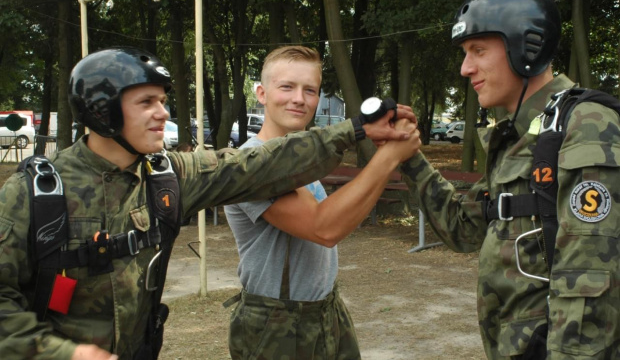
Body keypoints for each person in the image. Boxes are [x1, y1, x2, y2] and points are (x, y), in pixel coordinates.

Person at [0, 46, 416, 360]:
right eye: (146, 102)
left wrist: (356, 129)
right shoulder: (34, 194)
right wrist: (62, 354)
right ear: (101, 110)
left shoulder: (169, 175)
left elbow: (259, 163)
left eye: (163, 100)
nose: (163, 113)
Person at [401, 0, 620, 359]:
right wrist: (406, 156)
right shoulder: (519, 136)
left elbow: (590, 285)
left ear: (526, 47)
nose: (465, 68)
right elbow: (464, 228)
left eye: (478, 50)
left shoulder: (586, 124)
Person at [223, 45, 420, 359]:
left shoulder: (303, 154)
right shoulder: (250, 162)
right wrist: (389, 156)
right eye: (286, 86)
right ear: (261, 93)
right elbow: (324, 227)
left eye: (310, 90)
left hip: (327, 309)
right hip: (277, 324)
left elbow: (340, 215)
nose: (299, 98)